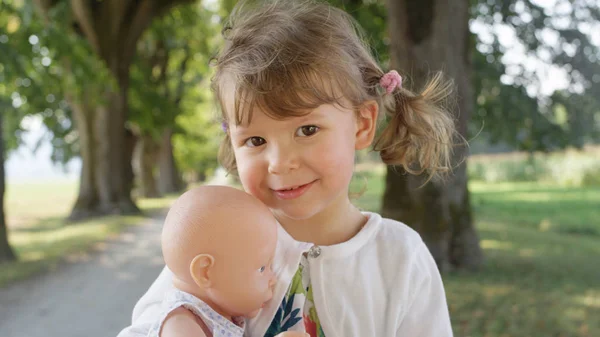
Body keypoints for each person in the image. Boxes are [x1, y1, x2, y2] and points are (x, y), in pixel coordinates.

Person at [118, 0, 456, 336]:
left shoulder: (400, 259)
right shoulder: (222, 238)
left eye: (307, 130)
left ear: (362, 123)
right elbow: (148, 322)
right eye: (255, 141)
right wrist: (175, 325)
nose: (279, 162)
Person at [145, 185, 308, 337]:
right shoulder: (181, 324)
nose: (273, 279)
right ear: (206, 272)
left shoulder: (215, 314)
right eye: (262, 268)